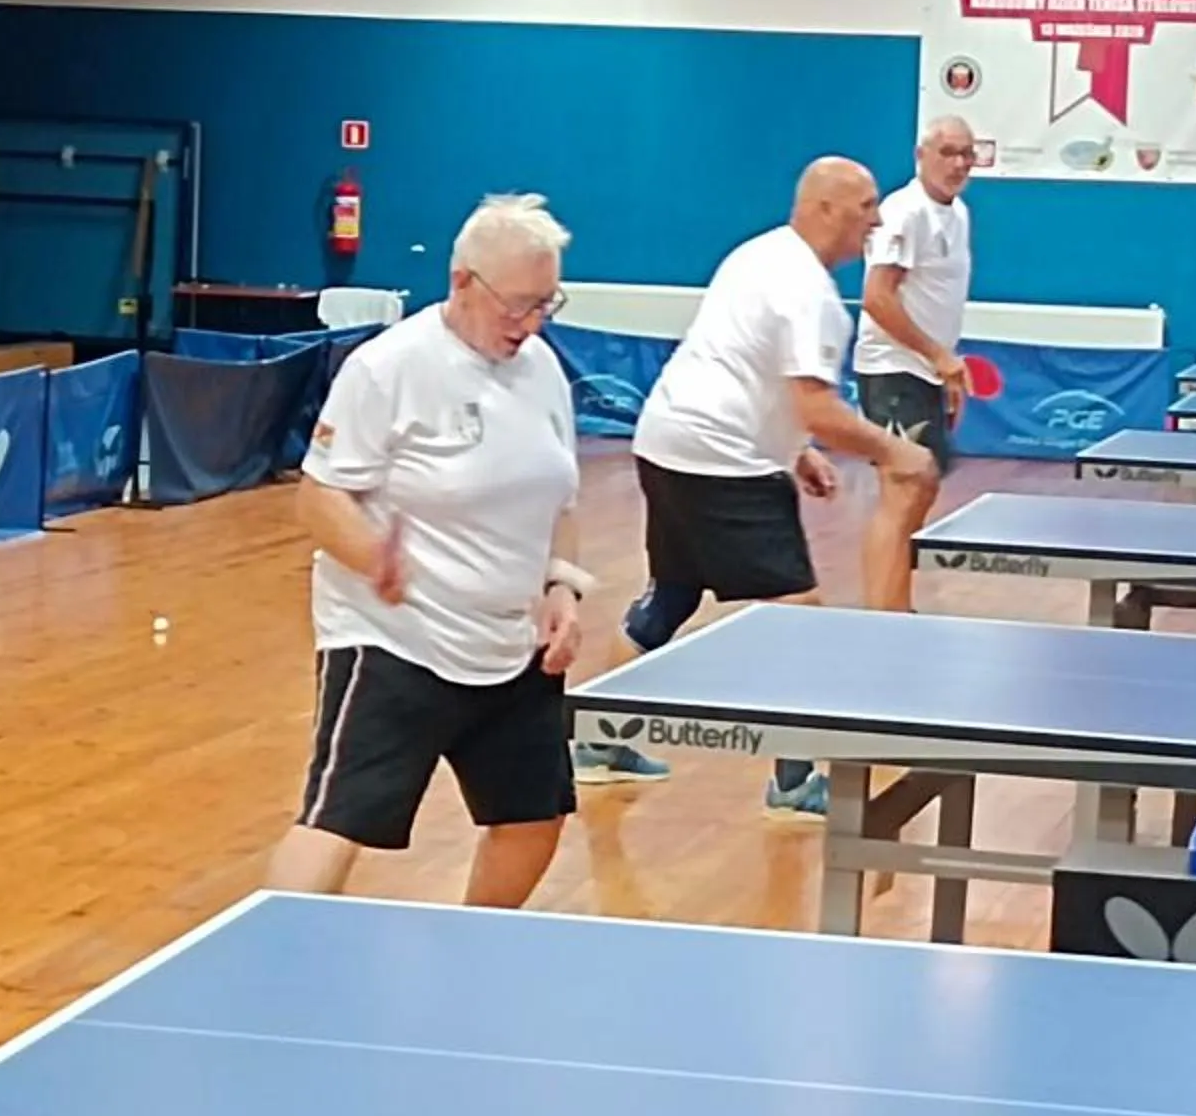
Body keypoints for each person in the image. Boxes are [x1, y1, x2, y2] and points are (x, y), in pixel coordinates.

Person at [573, 157, 937, 814]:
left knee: (673, 592)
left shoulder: (759, 253)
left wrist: (796, 452)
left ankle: (600, 743)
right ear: (824, 208)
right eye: (865, 206)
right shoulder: (811, 295)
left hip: (666, 442)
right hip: (722, 459)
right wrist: (897, 452)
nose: (878, 219)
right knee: (796, 616)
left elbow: (744, 364)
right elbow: (818, 407)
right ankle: (793, 784)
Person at [266, 195, 586, 908]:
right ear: (462, 281)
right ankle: (273, 954)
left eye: (546, 304)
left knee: (533, 819)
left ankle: (475, 952)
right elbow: (319, 496)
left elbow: (558, 497)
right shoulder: (388, 368)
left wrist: (561, 585)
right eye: (518, 305)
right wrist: (372, 556)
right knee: (337, 823)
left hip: (512, 642)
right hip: (395, 640)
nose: (531, 323)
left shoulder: (541, 370)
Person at [856, 116, 977, 614]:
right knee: (903, 492)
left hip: (926, 370)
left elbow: (935, 302)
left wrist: (945, 370)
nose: (959, 163)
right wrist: (939, 357)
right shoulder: (904, 213)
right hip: (892, 369)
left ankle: (895, 608)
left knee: (922, 489)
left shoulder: (958, 213)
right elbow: (877, 298)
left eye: (967, 154)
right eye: (947, 152)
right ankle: (885, 618)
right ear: (920, 156)